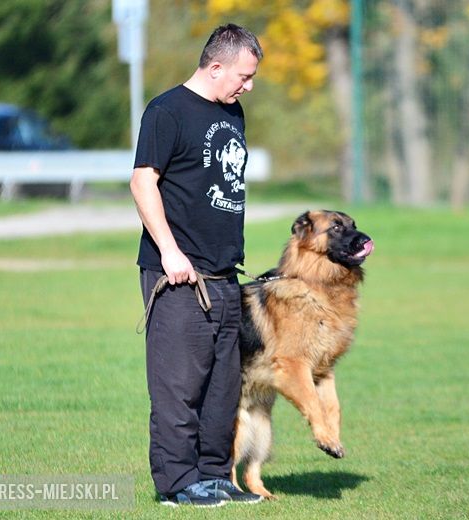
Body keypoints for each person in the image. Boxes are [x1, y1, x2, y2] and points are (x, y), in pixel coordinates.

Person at [130, 24, 263, 508]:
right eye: (244, 76)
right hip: (178, 276)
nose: (247, 86)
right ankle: (176, 484)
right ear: (215, 66)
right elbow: (143, 181)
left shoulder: (233, 113)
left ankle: (214, 475)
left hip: (224, 275)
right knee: (178, 388)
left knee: (221, 390)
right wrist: (169, 250)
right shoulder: (167, 111)